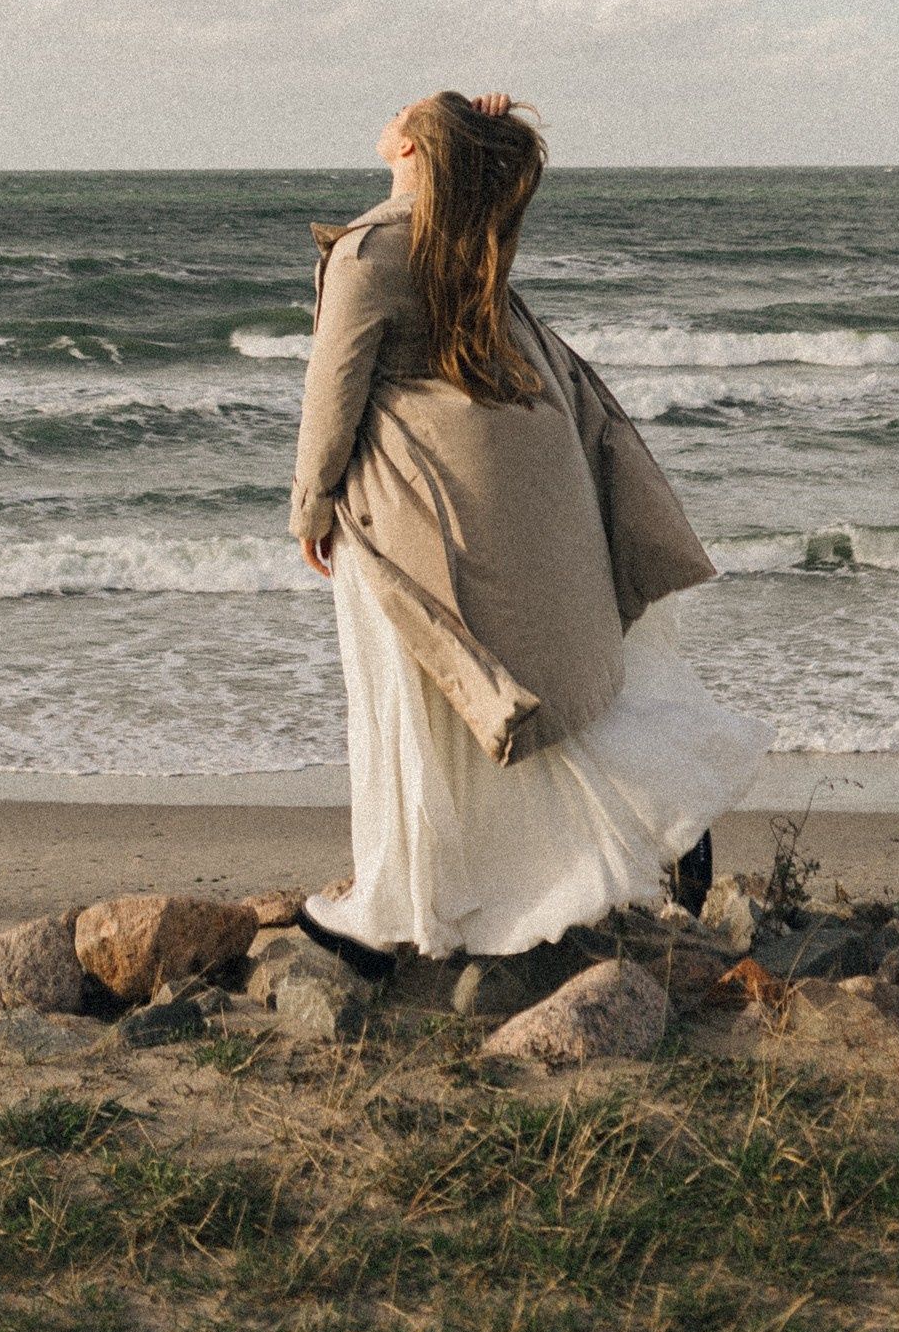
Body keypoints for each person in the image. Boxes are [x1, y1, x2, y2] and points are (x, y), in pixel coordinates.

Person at [289, 89, 764, 972]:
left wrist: (310, 511)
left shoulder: (370, 250)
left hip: (412, 505)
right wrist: (495, 135)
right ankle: (662, 823)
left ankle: (395, 901)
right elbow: (510, 180)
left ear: (416, 148)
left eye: (408, 109)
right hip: (507, 476)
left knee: (415, 697)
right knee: (514, 680)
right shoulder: (466, 237)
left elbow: (332, 399)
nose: (389, 109)